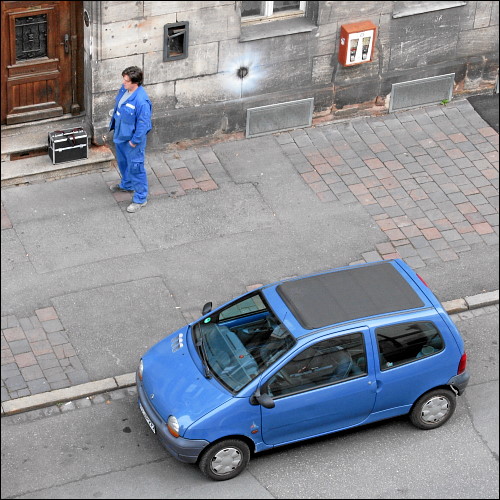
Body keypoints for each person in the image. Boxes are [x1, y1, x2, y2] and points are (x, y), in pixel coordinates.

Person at [109, 66, 152, 213]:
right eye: (123, 79)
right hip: (121, 135)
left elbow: (143, 124)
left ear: (136, 82)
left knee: (136, 167)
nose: (123, 83)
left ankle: (140, 198)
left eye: (126, 80)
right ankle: (127, 184)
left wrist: (134, 141)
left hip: (132, 140)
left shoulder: (141, 101)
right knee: (122, 163)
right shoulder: (124, 90)